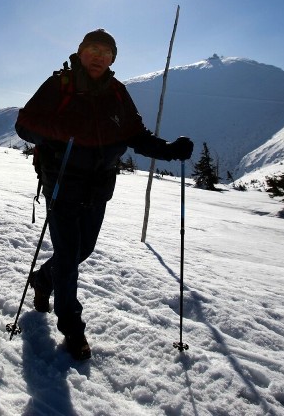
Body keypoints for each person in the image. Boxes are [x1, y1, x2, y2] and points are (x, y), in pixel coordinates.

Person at [15, 28, 194, 360]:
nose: (98, 56)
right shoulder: (59, 86)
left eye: (105, 52)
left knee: (81, 250)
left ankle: (42, 279)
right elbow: (24, 124)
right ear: (81, 52)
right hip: (61, 182)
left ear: (112, 59)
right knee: (68, 257)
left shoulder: (117, 93)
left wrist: (169, 150)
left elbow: (136, 135)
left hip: (98, 187)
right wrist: (59, 134)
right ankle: (72, 328)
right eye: (92, 49)